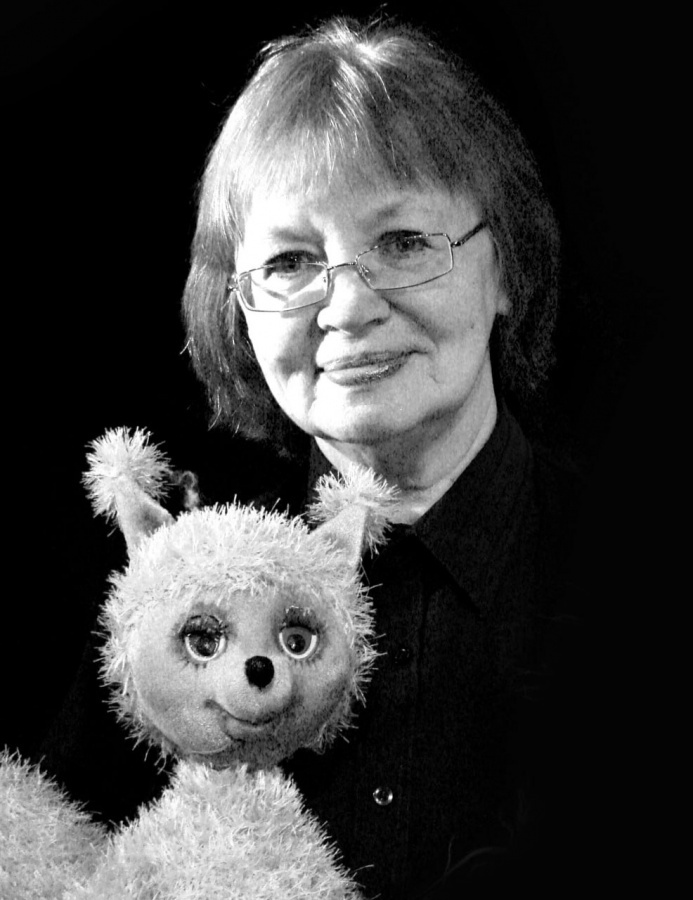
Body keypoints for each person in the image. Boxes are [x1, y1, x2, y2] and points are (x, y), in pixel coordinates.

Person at [37, 15, 589, 899]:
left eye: (402, 243)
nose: (346, 307)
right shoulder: (169, 592)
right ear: (236, 310)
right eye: (291, 261)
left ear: (506, 269)